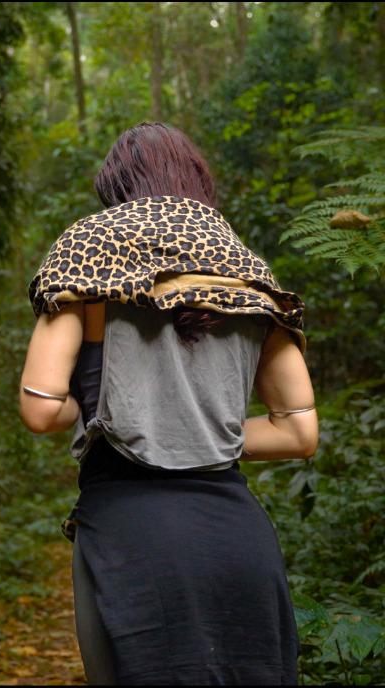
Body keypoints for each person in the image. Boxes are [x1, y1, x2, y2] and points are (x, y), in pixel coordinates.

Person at [19, 123, 318, 686]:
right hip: (238, 536)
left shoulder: (88, 255)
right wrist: (201, 429)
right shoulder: (248, 272)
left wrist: (108, 412)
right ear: (197, 181)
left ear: (115, 187)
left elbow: (41, 409)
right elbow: (299, 432)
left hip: (129, 532)